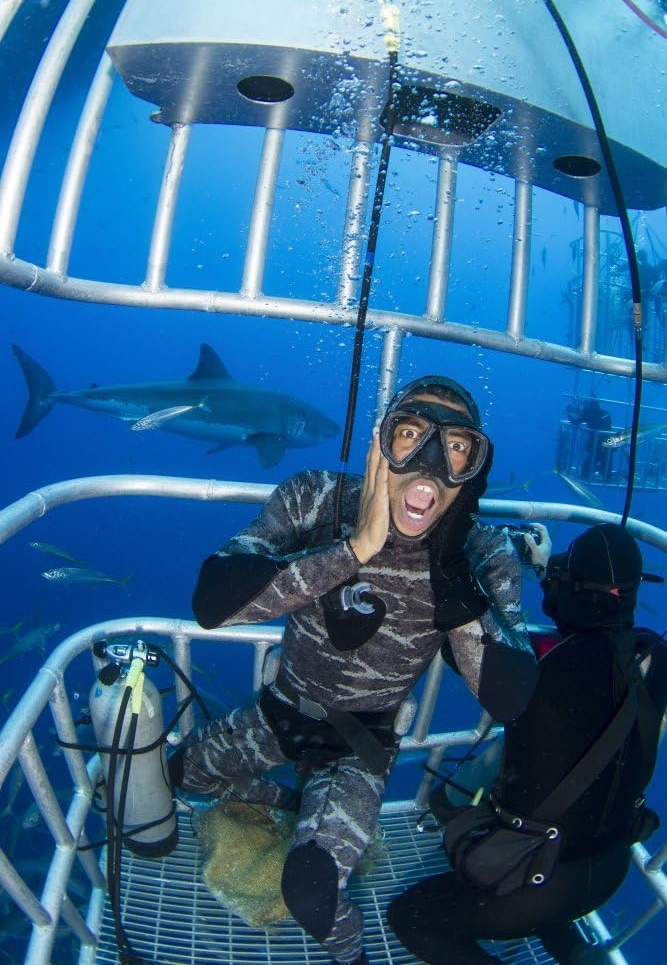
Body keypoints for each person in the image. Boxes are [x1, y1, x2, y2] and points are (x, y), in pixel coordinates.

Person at [169, 374, 538, 965]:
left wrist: (445, 563)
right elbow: (213, 604)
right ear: (379, 445)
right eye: (411, 435)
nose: (431, 463)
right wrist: (352, 550)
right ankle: (294, 805)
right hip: (279, 710)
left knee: (309, 890)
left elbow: (508, 694)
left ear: (475, 467)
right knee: (179, 771)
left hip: (359, 745)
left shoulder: (482, 552)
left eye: (457, 449)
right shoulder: (315, 498)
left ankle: (355, 958)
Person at [388, 522, 667, 965]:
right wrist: (550, 576)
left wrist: (505, 568)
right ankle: (575, 952)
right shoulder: (653, 655)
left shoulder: (536, 660)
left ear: (570, 589)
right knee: (558, 850)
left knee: (411, 915)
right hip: (608, 867)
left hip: (536, 884)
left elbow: (459, 644)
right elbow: (596, 631)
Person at [566, 398, 612, 479]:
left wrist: (569, 413)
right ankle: (600, 469)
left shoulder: (588, 414)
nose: (584, 407)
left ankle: (596, 469)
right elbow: (596, 421)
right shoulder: (606, 413)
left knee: (584, 474)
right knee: (607, 475)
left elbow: (575, 421)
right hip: (608, 446)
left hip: (596, 447)